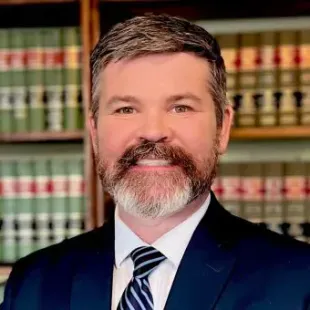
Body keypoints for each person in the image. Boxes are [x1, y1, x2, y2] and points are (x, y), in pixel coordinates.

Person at [2, 13, 310, 310]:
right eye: (126, 109)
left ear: (223, 128)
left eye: (180, 107)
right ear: (94, 133)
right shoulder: (33, 284)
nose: (152, 132)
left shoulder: (300, 282)